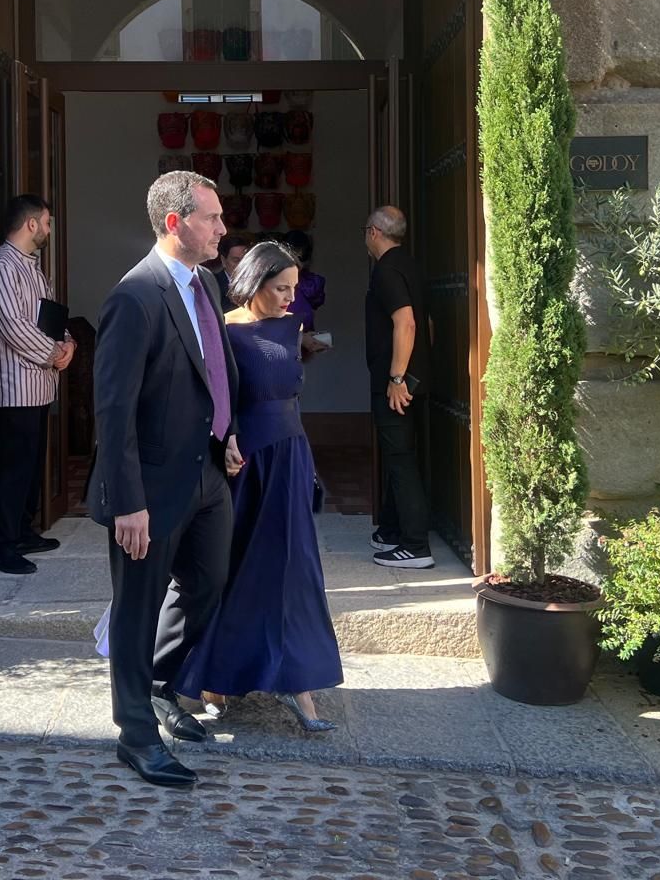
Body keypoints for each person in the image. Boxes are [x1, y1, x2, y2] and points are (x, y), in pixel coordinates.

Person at [89, 170, 245, 788]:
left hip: (207, 473)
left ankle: (156, 684)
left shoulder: (205, 281)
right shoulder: (135, 296)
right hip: (149, 490)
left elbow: (215, 366)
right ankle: (135, 734)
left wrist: (228, 434)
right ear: (176, 223)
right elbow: (114, 409)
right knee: (137, 607)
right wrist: (127, 501)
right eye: (212, 217)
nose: (223, 228)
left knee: (208, 584)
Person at [174, 242, 343, 733]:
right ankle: (215, 677)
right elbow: (211, 396)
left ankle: (301, 685)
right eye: (281, 288)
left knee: (293, 567)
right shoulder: (221, 327)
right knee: (233, 566)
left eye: (294, 287)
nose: (292, 298)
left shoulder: (293, 327)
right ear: (255, 283)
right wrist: (225, 438)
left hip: (290, 453)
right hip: (243, 460)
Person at [0, 194, 74, 576]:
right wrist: (54, 353)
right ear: (31, 224)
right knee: (10, 469)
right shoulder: (1, 267)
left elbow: (49, 317)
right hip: (10, 389)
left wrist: (68, 343)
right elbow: (13, 327)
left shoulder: (33, 268)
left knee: (31, 466)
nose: (49, 230)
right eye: (47, 223)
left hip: (37, 386)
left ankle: (23, 531)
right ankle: (1, 547)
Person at [364, 205, 434, 569]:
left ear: (374, 232)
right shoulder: (408, 263)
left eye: (366, 231)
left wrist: (395, 378)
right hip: (414, 378)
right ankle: (392, 529)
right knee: (399, 456)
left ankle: (416, 546)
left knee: (402, 461)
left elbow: (406, 324)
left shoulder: (387, 270)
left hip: (398, 383)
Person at [283, 230, 326, 332]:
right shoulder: (268, 283)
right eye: (291, 257)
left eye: (300, 257)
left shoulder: (311, 285)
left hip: (305, 343)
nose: (295, 262)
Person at [209, 233, 251, 310]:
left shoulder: (257, 283)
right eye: (236, 260)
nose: (242, 265)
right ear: (223, 261)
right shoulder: (212, 284)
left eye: (245, 260)